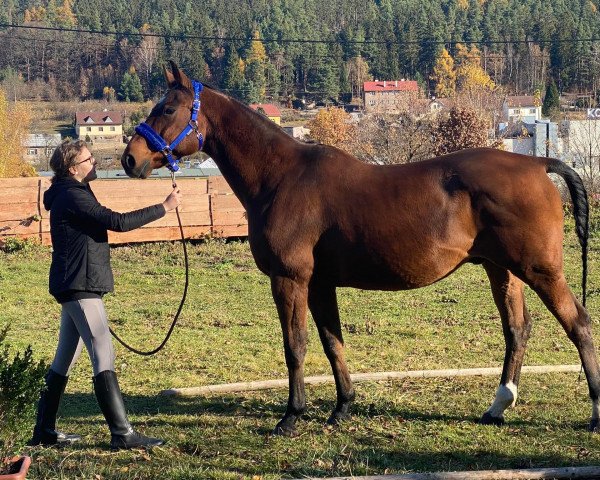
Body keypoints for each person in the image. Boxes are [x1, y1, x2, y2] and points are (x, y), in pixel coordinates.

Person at [31, 139, 182, 450]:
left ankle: (44, 431)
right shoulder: (73, 195)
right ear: (73, 168)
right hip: (80, 284)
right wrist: (164, 208)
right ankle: (122, 433)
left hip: (74, 283)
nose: (95, 162)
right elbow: (118, 222)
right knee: (103, 350)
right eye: (89, 159)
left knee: (64, 359)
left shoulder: (71, 191)